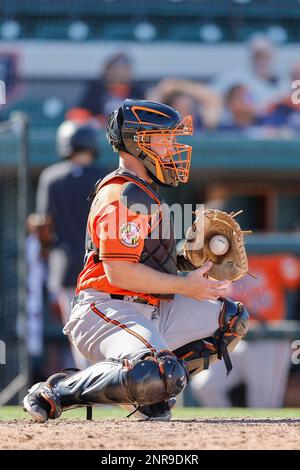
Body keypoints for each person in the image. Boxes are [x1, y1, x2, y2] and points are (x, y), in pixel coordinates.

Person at [23, 99, 248, 423]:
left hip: (149, 307)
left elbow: (149, 263)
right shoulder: (124, 193)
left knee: (230, 319)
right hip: (106, 308)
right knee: (157, 369)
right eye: (164, 137)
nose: (172, 146)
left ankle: (153, 388)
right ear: (136, 141)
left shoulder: (145, 191)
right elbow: (120, 272)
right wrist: (185, 285)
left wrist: (195, 265)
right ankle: (58, 392)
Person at [35, 120, 105, 369]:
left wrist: (46, 249)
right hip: (101, 266)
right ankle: (110, 385)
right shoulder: (104, 177)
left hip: (64, 266)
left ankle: (87, 386)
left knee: (78, 332)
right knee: (105, 328)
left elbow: (43, 223)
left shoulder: (51, 176)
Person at [191, 253, 300, 408]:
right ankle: (223, 430)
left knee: (263, 405)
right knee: (205, 386)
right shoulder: (221, 263)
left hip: (268, 340)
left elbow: (294, 277)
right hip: (233, 340)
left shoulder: (272, 254)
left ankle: (261, 433)